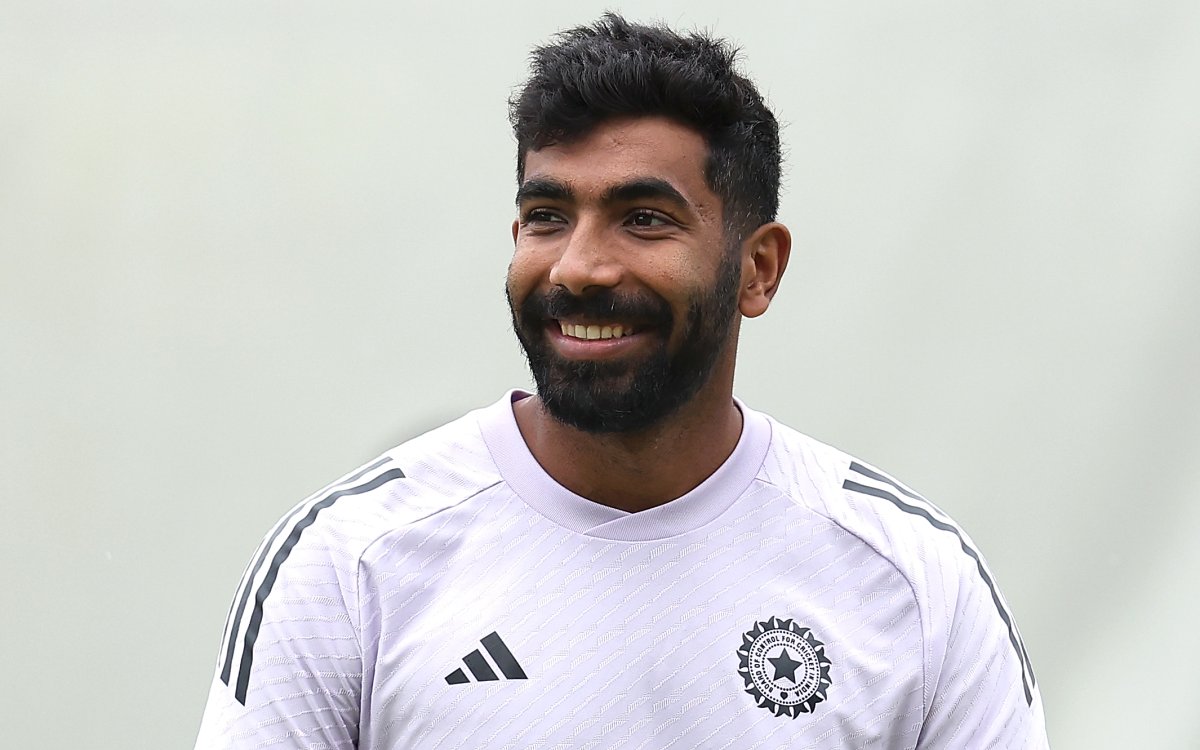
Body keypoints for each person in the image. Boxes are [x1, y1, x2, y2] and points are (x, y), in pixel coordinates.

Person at [194, 13, 1049, 749]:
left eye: (643, 219)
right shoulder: (350, 565)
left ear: (758, 269)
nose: (578, 267)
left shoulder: (910, 581)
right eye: (547, 216)